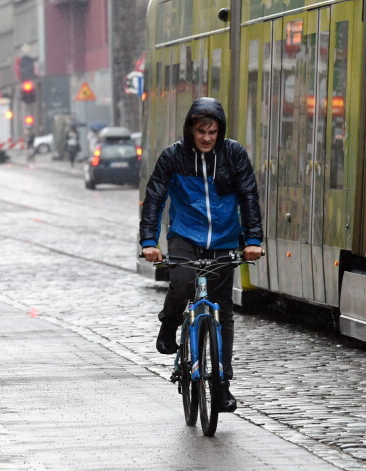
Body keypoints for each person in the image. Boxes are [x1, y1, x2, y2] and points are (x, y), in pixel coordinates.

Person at [140, 97, 263, 413]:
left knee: (223, 311)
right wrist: (149, 242)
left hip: (224, 238)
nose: (207, 137)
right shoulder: (174, 157)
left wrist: (252, 239)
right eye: (201, 131)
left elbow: (248, 195)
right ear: (190, 130)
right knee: (181, 283)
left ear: (220, 131)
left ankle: (222, 386)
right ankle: (169, 325)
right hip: (185, 236)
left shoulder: (233, 155)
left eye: (212, 132)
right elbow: (155, 198)